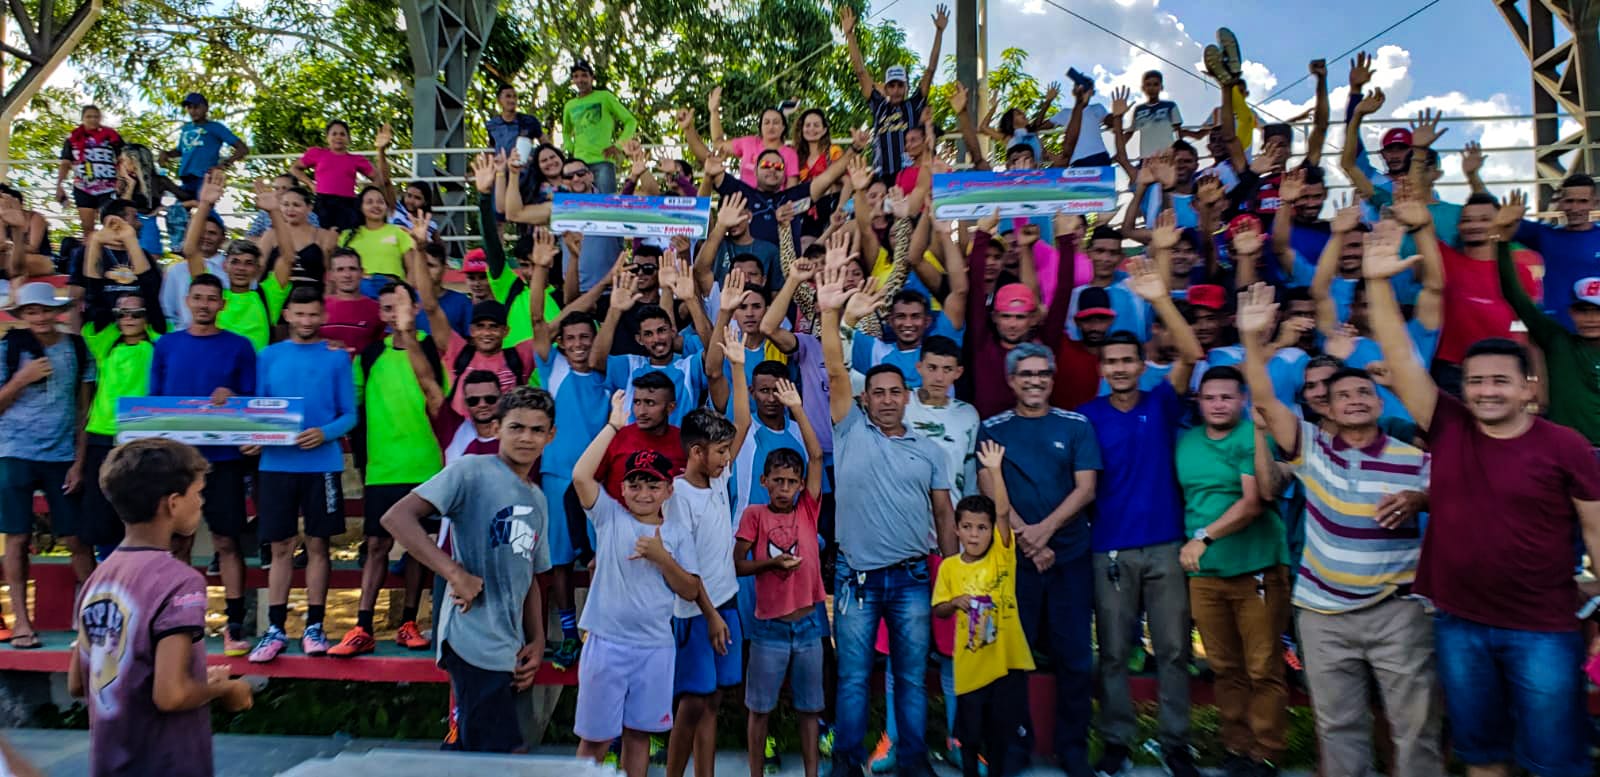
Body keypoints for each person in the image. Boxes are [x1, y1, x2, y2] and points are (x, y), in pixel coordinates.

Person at [1364, 217, 1600, 777]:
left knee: (1554, 761)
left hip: (1543, 629)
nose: (1486, 390)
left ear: (1528, 388)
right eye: (1475, 381)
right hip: (1460, 624)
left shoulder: (1565, 445)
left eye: (1500, 381)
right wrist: (1376, 283)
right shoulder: (1447, 424)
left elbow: (1596, 531)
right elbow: (1400, 359)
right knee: (1481, 757)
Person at [1237, 280, 1440, 777]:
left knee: (1416, 729)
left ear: (1379, 402)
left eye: (1364, 392)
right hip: (1324, 617)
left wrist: (1419, 498)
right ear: (1323, 407)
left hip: (1398, 613)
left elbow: (1453, 496)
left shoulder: (1413, 458)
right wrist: (1251, 339)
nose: (1354, 399)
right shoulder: (1310, 448)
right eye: (1341, 394)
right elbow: (1262, 398)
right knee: (1338, 728)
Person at [818, 263, 956, 777]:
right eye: (877, 392)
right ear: (866, 399)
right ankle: (847, 764)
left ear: (908, 395)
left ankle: (915, 763)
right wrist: (831, 314)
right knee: (853, 678)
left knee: (913, 677)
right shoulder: (850, 430)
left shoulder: (929, 451)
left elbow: (944, 512)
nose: (887, 399)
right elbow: (835, 369)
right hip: (855, 580)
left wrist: (952, 570)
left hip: (915, 577)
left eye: (895, 391)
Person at [378, 386, 555, 752]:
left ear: (551, 435)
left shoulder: (537, 497)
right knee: (497, 753)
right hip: (472, 639)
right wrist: (454, 573)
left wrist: (536, 641)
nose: (526, 437)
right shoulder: (470, 471)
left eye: (537, 430)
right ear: (497, 428)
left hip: (510, 646)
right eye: (516, 427)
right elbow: (397, 517)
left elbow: (531, 578)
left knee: (476, 750)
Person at [1076, 284, 1204, 777]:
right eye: (1113, 362)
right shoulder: (1088, 417)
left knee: (1173, 651)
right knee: (1111, 653)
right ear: (1102, 368)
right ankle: (1115, 742)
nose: (1121, 368)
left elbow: (1192, 353)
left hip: (1167, 545)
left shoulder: (1162, 402)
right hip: (1108, 548)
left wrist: (1160, 300)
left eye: (1129, 360)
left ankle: (1176, 744)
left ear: (1140, 363)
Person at [68, 438, 252, 777]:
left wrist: (197, 679)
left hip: (110, 762)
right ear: (172, 504)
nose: (201, 502)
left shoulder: (97, 579)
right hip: (168, 763)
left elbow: (79, 683)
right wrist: (225, 689)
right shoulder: (180, 582)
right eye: (197, 493)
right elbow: (170, 695)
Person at [974, 343, 1101, 776]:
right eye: (1025, 374)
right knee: (1011, 657)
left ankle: (1072, 749)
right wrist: (1028, 540)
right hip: (1015, 562)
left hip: (1069, 559)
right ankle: (1013, 746)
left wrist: (1043, 533)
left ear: (1053, 377)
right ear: (1011, 380)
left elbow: (1085, 489)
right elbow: (988, 489)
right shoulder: (993, 429)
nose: (1034, 381)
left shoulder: (1077, 425)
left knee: (1075, 657)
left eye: (1042, 374)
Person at [571, 391, 705, 777]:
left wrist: (663, 559)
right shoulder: (609, 517)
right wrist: (614, 426)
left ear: (668, 489)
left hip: (654, 648)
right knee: (595, 740)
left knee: (639, 735)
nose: (643, 493)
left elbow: (691, 590)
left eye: (653, 485)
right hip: (606, 643)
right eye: (635, 484)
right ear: (622, 488)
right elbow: (581, 475)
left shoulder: (677, 532)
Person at [1177, 364, 1289, 777]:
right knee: (1224, 668)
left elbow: (1253, 501)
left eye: (1227, 396)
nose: (1218, 404)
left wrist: (1203, 538)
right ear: (1199, 402)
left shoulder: (1252, 436)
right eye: (1210, 397)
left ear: (1242, 400)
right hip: (1205, 576)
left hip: (1255, 565)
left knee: (1263, 667)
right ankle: (1237, 749)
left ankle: (1267, 752)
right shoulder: (1186, 442)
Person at [330, 283, 446, 658]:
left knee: (417, 546)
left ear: (414, 307)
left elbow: (436, 393)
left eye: (400, 305)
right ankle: (362, 625)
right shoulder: (369, 354)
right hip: (382, 466)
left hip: (426, 462)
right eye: (386, 308)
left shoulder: (430, 345)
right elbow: (353, 405)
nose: (394, 313)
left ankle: (409, 622)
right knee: (377, 545)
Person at [247, 287, 359, 664]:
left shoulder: (337, 358)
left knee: (317, 546)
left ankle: (315, 625)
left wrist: (325, 433)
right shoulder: (268, 356)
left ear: (322, 315)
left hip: (322, 464)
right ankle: (275, 628)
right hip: (276, 465)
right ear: (288, 315)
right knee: (279, 548)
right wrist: (253, 438)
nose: (307, 321)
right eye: (300, 314)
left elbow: (350, 414)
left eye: (314, 314)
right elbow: (257, 411)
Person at [148, 274, 257, 655]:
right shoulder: (165, 345)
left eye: (212, 298)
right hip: (177, 463)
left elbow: (251, 402)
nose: (205, 304)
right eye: (198, 298)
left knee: (228, 541)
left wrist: (235, 396)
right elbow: (153, 405)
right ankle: (179, 620)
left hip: (223, 462)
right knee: (177, 542)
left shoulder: (240, 347)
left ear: (222, 304)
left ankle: (234, 622)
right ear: (187, 302)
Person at [733, 375, 827, 777]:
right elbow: (738, 564)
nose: (785, 488)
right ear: (764, 483)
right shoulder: (755, 515)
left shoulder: (808, 509)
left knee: (810, 710)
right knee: (759, 709)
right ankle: (756, 771)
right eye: (778, 482)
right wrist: (769, 565)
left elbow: (817, 456)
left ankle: (811, 771)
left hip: (807, 626)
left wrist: (798, 408)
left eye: (792, 481)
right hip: (769, 627)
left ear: (801, 485)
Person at [0, 283, 95, 649]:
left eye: (44, 309)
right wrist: (21, 379)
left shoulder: (75, 347)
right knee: (18, 537)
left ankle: (93, 623)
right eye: (31, 311)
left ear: (57, 311)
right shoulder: (8, 348)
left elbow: (83, 410)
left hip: (61, 455)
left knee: (76, 539)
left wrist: (79, 461)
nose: (39, 317)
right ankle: (21, 623)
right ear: (22, 315)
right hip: (14, 450)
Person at [934, 441, 1030, 777]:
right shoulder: (950, 568)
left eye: (982, 528)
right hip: (970, 667)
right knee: (970, 736)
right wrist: (955, 602)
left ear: (992, 531)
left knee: (1001, 734)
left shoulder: (1002, 555)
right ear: (957, 530)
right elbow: (940, 609)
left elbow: (1002, 512)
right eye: (968, 528)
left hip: (1005, 663)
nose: (975, 535)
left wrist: (994, 471)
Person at [662, 408, 740, 777]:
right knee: (692, 702)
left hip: (728, 602)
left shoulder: (719, 479)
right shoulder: (678, 497)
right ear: (697, 451)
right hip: (697, 614)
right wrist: (711, 617)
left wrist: (738, 370)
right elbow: (689, 572)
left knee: (713, 700)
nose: (728, 458)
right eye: (722, 450)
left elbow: (742, 418)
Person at [1493, 192, 1600, 445]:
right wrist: (1501, 243)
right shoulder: (1557, 341)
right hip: (1566, 455)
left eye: (1598, 311)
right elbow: (1514, 295)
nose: (1592, 319)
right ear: (1571, 312)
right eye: (1584, 311)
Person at [964, 210, 1078, 418]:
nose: (1012, 324)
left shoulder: (1043, 345)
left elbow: (1064, 293)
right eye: (1006, 316)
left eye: (1020, 317)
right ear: (995, 317)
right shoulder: (981, 343)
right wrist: (982, 233)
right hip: (991, 444)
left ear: (1032, 318)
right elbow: (975, 288)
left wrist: (1065, 238)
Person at [76, 293, 160, 552]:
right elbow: (96, 304)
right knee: (102, 515)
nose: (129, 318)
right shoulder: (105, 343)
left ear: (147, 317)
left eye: (137, 313)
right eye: (122, 314)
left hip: (141, 437)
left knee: (138, 510)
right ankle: (109, 575)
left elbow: (151, 291)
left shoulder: (158, 344)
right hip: (102, 435)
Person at [186, 174, 294, 351]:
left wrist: (274, 211)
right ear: (225, 265)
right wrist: (204, 205)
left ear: (258, 268)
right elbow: (191, 251)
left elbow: (288, 258)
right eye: (235, 262)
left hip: (253, 375)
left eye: (248, 263)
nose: (241, 268)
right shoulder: (214, 296)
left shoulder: (267, 294)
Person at [839, 4, 946, 180]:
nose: (896, 90)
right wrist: (849, 34)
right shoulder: (878, 105)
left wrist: (939, 32)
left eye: (900, 85)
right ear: (886, 88)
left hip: (910, 174)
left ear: (906, 88)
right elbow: (860, 71)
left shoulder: (914, 104)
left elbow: (931, 69)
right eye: (892, 86)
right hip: (882, 175)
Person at [1511, 173, 1600, 327]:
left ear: (1595, 203)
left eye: (1582, 201)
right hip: (1556, 333)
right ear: (1560, 203)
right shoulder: (1545, 236)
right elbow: (1490, 214)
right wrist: (1474, 178)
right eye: (1569, 201)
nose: (1575, 208)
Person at [562, 59, 638, 195]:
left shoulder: (604, 97)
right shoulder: (569, 105)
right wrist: (570, 148)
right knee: (580, 206)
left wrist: (618, 146)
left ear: (592, 78)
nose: (580, 80)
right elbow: (566, 131)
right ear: (573, 80)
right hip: (579, 166)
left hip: (602, 162)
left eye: (584, 75)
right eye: (576, 76)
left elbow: (630, 121)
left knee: (606, 205)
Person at [292, 121, 383, 231]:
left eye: (342, 134)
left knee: (346, 239)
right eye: (334, 134)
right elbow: (295, 168)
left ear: (348, 138)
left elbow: (377, 177)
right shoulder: (317, 153)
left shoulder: (356, 159)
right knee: (321, 238)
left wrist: (364, 197)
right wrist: (311, 184)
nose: (338, 137)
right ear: (327, 138)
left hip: (347, 205)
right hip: (323, 203)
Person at [161, 92, 248, 197]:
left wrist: (224, 165)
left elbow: (243, 149)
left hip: (204, 177)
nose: (193, 111)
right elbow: (181, 150)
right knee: (181, 209)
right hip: (186, 179)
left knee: (204, 207)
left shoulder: (215, 127)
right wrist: (166, 153)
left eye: (196, 107)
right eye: (189, 107)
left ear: (206, 108)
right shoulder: (186, 128)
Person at [56, 105, 123, 238]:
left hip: (108, 187)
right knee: (88, 231)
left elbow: (123, 158)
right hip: (83, 187)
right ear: (82, 118)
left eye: (96, 116)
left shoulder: (111, 136)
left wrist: (122, 179)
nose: (92, 119)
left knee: (112, 226)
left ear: (100, 118)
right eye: (89, 116)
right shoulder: (72, 139)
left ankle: (110, 256)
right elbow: (65, 163)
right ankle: (90, 257)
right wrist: (59, 185)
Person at [321, 249, 385, 355]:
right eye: (340, 269)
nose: (347, 275)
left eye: (352, 269)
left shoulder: (377, 310)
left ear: (362, 273)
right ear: (330, 275)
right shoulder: (319, 307)